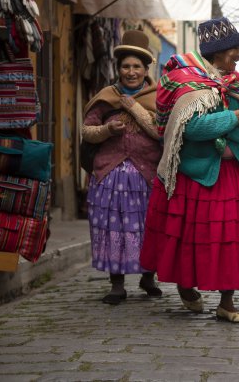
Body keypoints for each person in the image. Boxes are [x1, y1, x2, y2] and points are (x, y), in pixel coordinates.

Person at [140, 17, 239, 323]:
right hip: (198, 176)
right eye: (235, 50)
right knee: (194, 239)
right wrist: (230, 121)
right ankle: (186, 287)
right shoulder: (188, 83)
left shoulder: (236, 83)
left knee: (232, 239)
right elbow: (189, 127)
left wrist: (229, 130)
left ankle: (226, 303)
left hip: (234, 174)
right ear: (218, 52)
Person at [82, 30, 162, 305]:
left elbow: (161, 133)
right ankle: (117, 284)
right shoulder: (106, 97)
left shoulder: (158, 98)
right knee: (112, 227)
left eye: (136, 67)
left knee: (148, 227)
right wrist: (106, 129)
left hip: (147, 176)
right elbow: (86, 131)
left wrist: (135, 110)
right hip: (110, 176)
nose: (131, 72)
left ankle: (148, 277)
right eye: (125, 66)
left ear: (145, 69)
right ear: (118, 69)